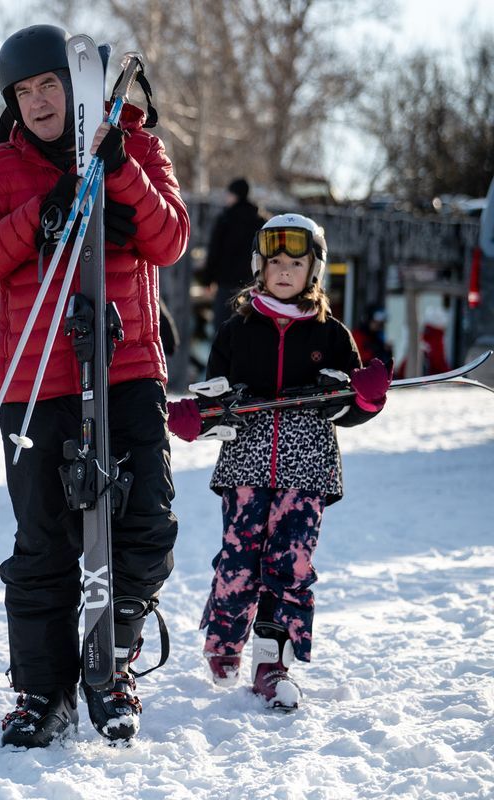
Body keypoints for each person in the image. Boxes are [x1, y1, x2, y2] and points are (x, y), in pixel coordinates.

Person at [0, 24, 189, 746]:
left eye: (49, 84)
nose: (38, 102)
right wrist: (39, 215)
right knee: (45, 541)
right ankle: (40, 690)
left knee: (143, 524)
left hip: (126, 366)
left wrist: (120, 172)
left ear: (75, 84)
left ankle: (110, 664)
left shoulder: (138, 146)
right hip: (37, 378)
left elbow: (171, 238)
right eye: (22, 92)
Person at [167, 213, 390, 711]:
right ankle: (225, 641)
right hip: (246, 464)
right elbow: (214, 401)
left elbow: (348, 406)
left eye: (296, 262)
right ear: (258, 268)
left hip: (307, 466)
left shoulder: (332, 335)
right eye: (275, 263)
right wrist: (194, 419)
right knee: (239, 560)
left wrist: (367, 400)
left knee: (288, 563)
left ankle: (273, 662)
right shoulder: (236, 331)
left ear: (314, 269)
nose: (284, 271)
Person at [203, 177, 267, 333]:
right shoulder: (260, 221)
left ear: (235, 195)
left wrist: (208, 279)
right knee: (248, 329)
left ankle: (222, 357)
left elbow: (214, 251)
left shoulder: (226, 219)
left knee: (222, 329)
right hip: (252, 284)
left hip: (226, 283)